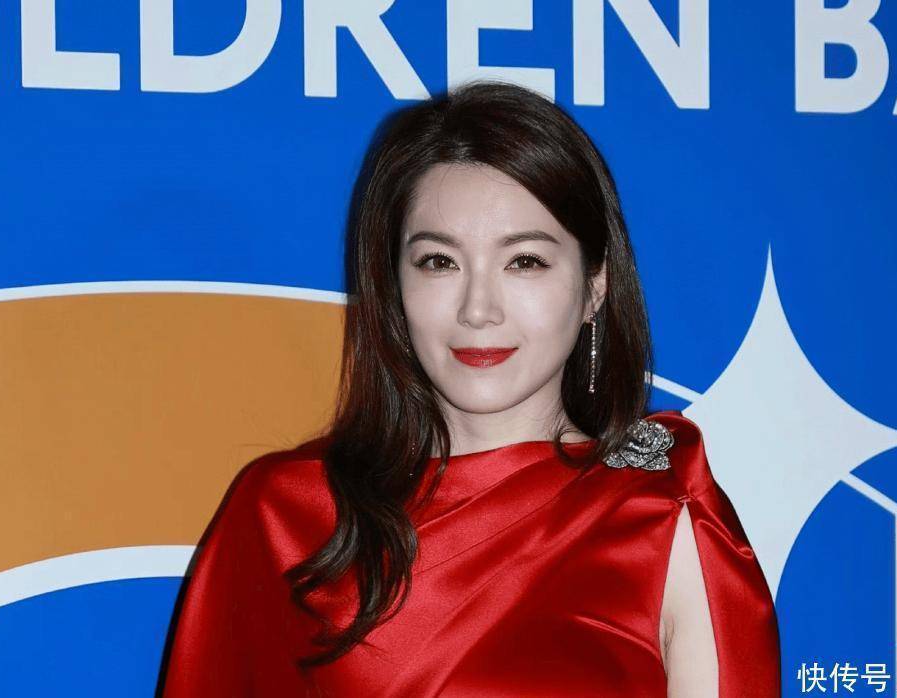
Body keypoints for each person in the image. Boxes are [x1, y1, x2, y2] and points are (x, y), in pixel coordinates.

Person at [159, 80, 781, 697]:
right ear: (394, 286)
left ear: (595, 286)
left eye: (525, 261)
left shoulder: (665, 513)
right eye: (439, 262)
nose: (478, 309)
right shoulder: (285, 515)